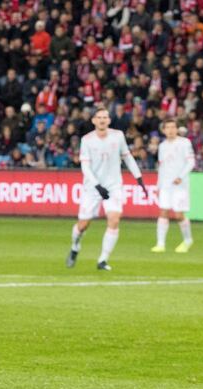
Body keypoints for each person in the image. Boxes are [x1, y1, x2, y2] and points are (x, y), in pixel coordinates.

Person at [66, 106, 147, 271]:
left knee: (114, 220)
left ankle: (103, 260)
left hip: (113, 186)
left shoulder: (118, 136)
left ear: (109, 120)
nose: (102, 120)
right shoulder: (87, 140)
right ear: (94, 120)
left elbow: (127, 157)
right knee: (83, 225)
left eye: (105, 117)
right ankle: (75, 247)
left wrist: (138, 177)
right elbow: (85, 167)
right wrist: (97, 185)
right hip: (92, 187)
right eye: (99, 117)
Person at [152, 118, 196, 253]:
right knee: (163, 212)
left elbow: (191, 162)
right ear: (164, 130)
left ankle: (188, 240)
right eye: (168, 127)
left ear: (177, 129)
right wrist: (158, 185)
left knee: (178, 215)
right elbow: (162, 166)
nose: (170, 130)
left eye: (173, 127)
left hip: (180, 185)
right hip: (166, 185)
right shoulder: (162, 146)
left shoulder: (184, 143)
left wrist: (180, 177)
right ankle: (160, 244)